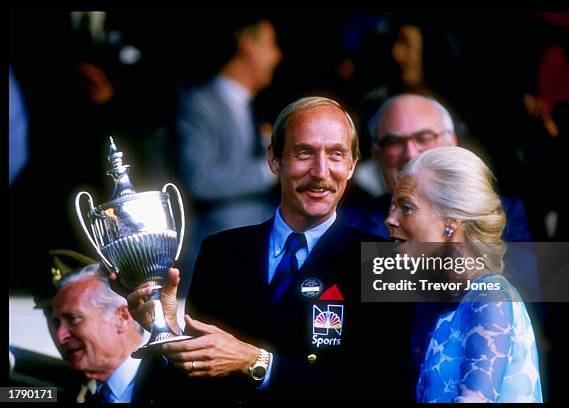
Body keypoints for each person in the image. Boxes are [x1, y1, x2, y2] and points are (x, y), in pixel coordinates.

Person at [122, 96, 412, 403]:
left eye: (337, 155)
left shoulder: (385, 261)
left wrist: (257, 363)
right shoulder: (221, 251)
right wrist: (167, 330)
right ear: (274, 159)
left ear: (353, 165)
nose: (320, 171)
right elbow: (194, 389)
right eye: (304, 153)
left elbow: (382, 388)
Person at [385, 146, 543, 402]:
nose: (390, 219)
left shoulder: (491, 298)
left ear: (451, 223)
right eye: (393, 207)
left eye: (406, 207)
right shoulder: (455, 299)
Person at [343, 93, 532, 243]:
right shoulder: (347, 225)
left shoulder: (503, 216)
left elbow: (519, 289)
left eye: (424, 138)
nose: (410, 153)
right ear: (377, 154)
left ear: (452, 143)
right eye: (394, 142)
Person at [176, 15, 283, 278]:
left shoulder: (254, 107)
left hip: (265, 245)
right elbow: (200, 180)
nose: (277, 56)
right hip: (222, 247)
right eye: (271, 45)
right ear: (248, 45)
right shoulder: (199, 104)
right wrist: (270, 169)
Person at [49, 262, 167, 403]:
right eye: (57, 323)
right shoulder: (74, 394)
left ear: (121, 318)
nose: (61, 336)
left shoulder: (171, 379)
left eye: (74, 319)